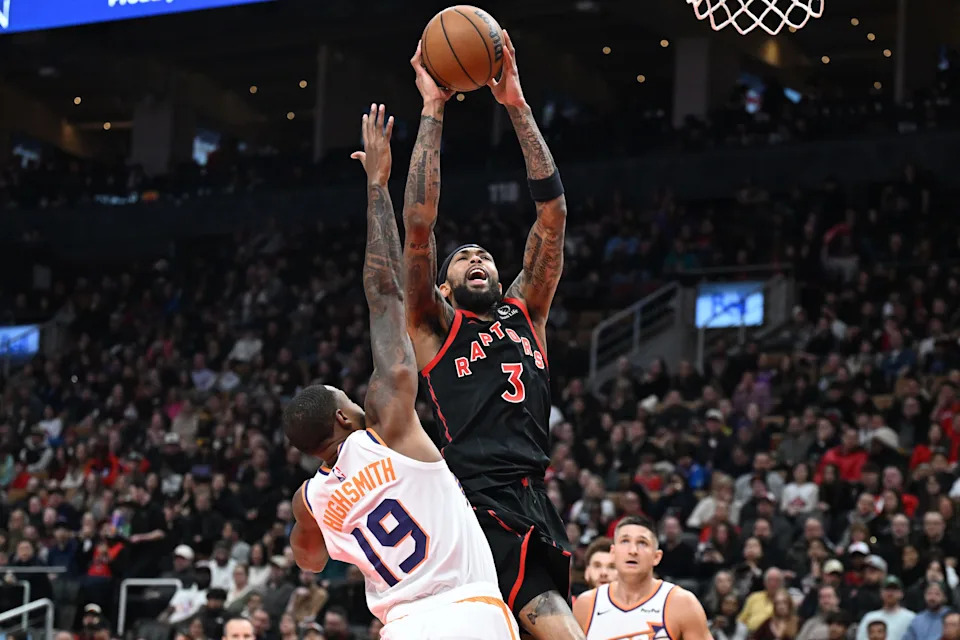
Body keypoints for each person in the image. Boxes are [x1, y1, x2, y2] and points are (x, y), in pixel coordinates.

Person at [284, 104, 518, 640]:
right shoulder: (386, 431)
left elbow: (311, 563)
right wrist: (376, 184)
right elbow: (385, 295)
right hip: (468, 612)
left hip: (401, 626)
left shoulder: (309, 500)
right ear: (345, 416)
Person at [400, 31, 576, 640]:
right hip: (476, 502)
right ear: (444, 287)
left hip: (534, 499)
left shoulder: (526, 310)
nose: (475, 258)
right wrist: (432, 109)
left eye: (483, 254)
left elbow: (552, 216)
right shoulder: (433, 326)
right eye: (462, 258)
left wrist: (517, 106)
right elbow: (418, 228)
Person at [572, 516, 710, 639]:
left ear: (657, 557)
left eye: (642, 543)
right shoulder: (586, 604)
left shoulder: (682, 603)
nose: (633, 551)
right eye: (625, 541)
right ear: (613, 553)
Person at [856, 576, 916, 640]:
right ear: (881, 593)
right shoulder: (870, 617)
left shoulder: (911, 617)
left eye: (894, 589)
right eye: (887, 589)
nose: (890, 593)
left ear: (901, 593)